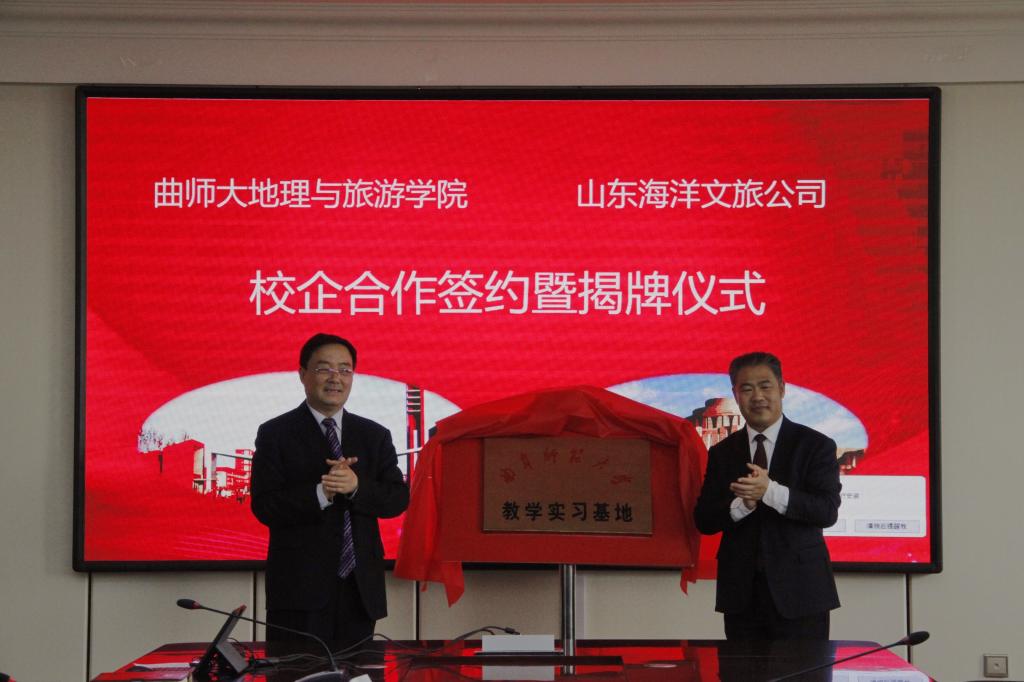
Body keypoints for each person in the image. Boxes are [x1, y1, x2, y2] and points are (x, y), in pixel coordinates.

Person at [251, 333, 409, 647]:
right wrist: (322, 493)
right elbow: (265, 506)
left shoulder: (374, 435)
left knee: (360, 671)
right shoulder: (275, 433)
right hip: (298, 591)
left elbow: (397, 498)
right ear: (303, 374)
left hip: (360, 590)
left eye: (345, 370)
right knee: (295, 670)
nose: (336, 378)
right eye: (324, 369)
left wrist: (357, 487)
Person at [693, 352, 841, 640]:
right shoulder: (723, 453)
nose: (757, 396)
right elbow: (704, 519)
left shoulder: (815, 445)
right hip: (741, 596)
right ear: (736, 394)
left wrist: (769, 492)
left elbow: (826, 511)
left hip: (802, 593)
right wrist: (743, 505)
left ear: (782, 388)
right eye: (747, 389)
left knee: (804, 667)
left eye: (765, 386)